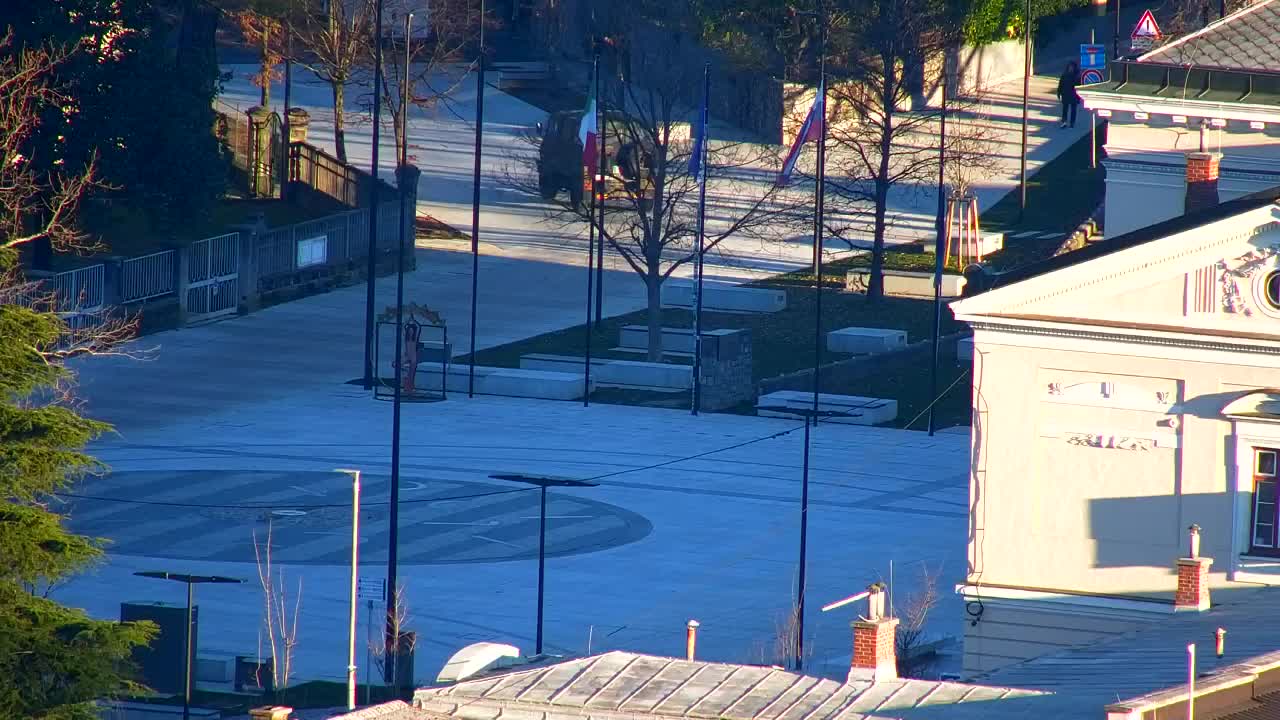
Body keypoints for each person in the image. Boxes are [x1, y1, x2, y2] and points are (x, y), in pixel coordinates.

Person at [1057, 61, 1080, 129]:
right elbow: (1060, 85)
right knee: (1065, 109)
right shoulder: (1064, 75)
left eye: (1072, 67)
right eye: (1070, 67)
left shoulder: (1077, 76)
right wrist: (1059, 93)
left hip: (1074, 95)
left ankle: (1072, 123)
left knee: (1073, 110)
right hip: (1065, 94)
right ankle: (1064, 122)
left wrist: (1079, 96)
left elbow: (1079, 86)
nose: (1070, 69)